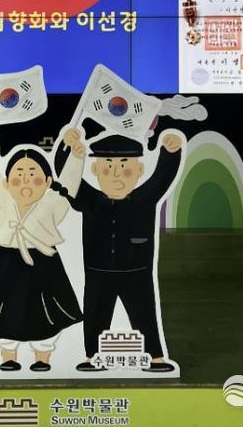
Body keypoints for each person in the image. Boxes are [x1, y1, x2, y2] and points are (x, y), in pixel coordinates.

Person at [59, 131, 183, 372]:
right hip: (97, 269)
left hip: (137, 269)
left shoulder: (145, 198)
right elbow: (68, 178)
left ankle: (155, 357)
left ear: (139, 170)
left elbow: (162, 178)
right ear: (95, 170)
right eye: (107, 168)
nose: (116, 174)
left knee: (144, 312)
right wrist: (68, 148)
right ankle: (92, 356)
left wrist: (170, 152)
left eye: (125, 168)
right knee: (95, 312)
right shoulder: (89, 199)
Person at [0, 129, 85, 372]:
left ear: (47, 182)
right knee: (3, 306)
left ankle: (42, 356)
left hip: (44, 260)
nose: (25, 181)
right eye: (19, 176)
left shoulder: (52, 203)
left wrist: (76, 158)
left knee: (45, 310)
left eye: (33, 176)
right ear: (6, 183)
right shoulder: (2, 201)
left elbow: (68, 186)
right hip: (6, 259)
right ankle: (8, 355)